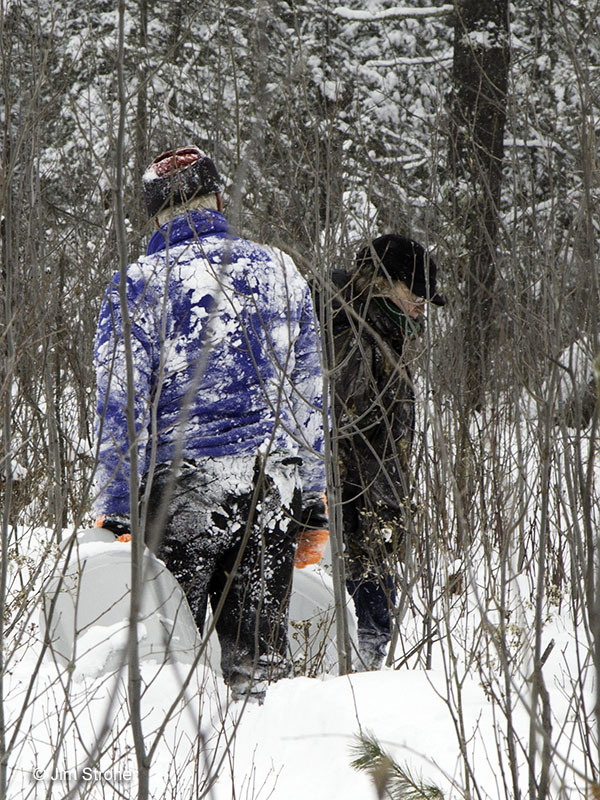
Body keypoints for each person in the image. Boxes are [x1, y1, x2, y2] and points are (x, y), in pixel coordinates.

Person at [92, 145, 328, 702]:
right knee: (260, 672)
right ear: (218, 197)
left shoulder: (138, 284)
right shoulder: (280, 269)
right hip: (271, 486)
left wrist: (119, 508)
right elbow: (310, 394)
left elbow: (119, 404)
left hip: (181, 492)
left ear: (154, 216)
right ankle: (267, 769)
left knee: (170, 665)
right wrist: (313, 501)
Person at [328, 234, 445, 670]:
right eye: (415, 295)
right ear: (382, 283)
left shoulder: (384, 335)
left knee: (374, 635)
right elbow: (346, 427)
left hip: (373, 518)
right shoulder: (351, 333)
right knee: (359, 643)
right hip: (348, 518)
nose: (420, 308)